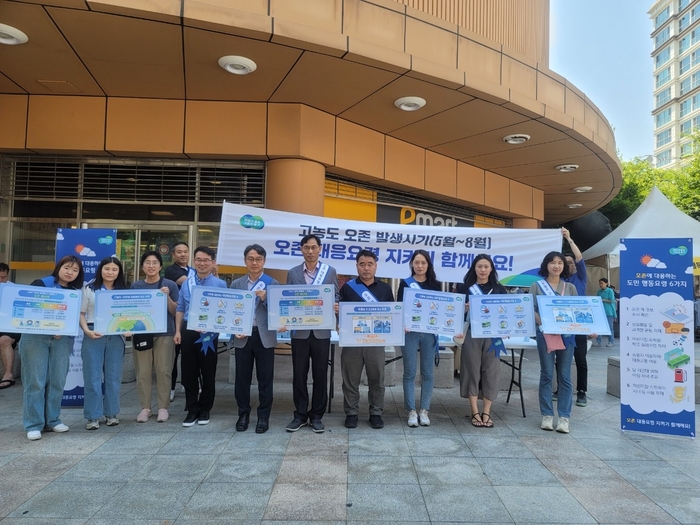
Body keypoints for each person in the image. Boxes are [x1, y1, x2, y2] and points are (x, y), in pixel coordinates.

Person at [19, 255, 84, 440]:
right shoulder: (41, 284)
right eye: (67, 267)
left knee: (57, 380)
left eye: (75, 270)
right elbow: (28, 309)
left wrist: (62, 329)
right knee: (35, 381)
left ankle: (53, 420)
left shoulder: (74, 292)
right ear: (59, 267)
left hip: (61, 340)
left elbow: (73, 318)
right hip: (35, 338)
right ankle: (33, 424)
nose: (70, 272)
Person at [284, 234, 339, 434]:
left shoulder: (330, 271)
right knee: (299, 375)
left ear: (319, 249)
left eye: (313, 247)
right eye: (306, 247)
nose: (310, 251)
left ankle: (316, 415)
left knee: (319, 375)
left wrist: (335, 304)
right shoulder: (293, 273)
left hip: (321, 333)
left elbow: (337, 295)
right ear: (301, 249)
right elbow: (287, 299)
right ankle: (299, 414)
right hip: (299, 333)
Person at [338, 249, 394, 429]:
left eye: (370, 264)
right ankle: (351, 412)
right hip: (352, 342)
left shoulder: (385, 289)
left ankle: (376, 413)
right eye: (362, 264)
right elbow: (341, 313)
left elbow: (392, 315)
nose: (366, 268)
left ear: (376, 266)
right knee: (350, 380)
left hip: (376, 342)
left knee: (377, 379)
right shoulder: (348, 287)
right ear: (357, 266)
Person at [173, 246, 227, 427]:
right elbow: (180, 308)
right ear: (194, 261)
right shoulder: (187, 283)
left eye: (206, 260)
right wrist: (178, 331)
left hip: (209, 332)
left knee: (208, 370)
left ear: (213, 263)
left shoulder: (220, 284)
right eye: (198, 259)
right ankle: (192, 408)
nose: (202, 263)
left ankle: (205, 408)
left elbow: (224, 310)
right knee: (188, 371)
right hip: (189, 329)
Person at [230, 244, 279, 434]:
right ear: (245, 261)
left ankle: (263, 417)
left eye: (258, 259)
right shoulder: (237, 284)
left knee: (265, 379)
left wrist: (266, 299)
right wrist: (234, 329)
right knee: (242, 378)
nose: (254, 262)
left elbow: (277, 313)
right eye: (250, 259)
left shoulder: (272, 283)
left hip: (264, 336)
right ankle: (243, 414)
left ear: (264, 261)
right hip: (243, 336)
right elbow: (230, 311)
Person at [455, 254, 507, 428]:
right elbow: (454, 312)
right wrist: (463, 308)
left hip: (493, 336)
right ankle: (474, 411)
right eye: (479, 266)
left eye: (486, 266)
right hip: (471, 333)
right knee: (471, 369)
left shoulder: (499, 289)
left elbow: (505, 314)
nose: (483, 270)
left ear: (491, 268)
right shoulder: (465, 288)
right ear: (474, 268)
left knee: (491, 371)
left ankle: (487, 411)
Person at [530, 251, 577, 434]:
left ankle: (564, 417)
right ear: (546, 265)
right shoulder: (537, 286)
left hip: (567, 337)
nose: (556, 266)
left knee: (565, 376)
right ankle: (547, 415)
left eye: (560, 262)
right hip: (546, 335)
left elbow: (577, 311)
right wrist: (546, 323)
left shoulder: (570, 288)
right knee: (547, 374)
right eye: (552, 262)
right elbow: (531, 310)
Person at [80, 256, 128, 430]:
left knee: (113, 377)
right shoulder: (89, 288)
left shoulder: (123, 290)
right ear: (100, 269)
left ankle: (112, 413)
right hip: (94, 333)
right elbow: (81, 313)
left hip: (115, 336)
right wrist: (87, 331)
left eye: (114, 270)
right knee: (92, 377)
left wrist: (127, 329)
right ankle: (92, 416)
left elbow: (127, 316)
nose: (110, 272)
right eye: (107, 269)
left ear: (119, 272)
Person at [131, 251, 179, 423]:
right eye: (147, 262)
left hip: (164, 333)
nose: (151, 266)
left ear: (160, 266)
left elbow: (175, 311)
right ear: (142, 266)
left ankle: (163, 407)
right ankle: (145, 407)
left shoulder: (170, 285)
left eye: (154, 262)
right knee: (143, 371)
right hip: (142, 333)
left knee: (164, 370)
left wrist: (165, 297)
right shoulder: (136, 286)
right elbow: (132, 311)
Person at [397, 249, 441, 427]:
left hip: (429, 333)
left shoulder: (436, 285)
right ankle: (411, 411)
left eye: (423, 263)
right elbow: (400, 307)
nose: (420, 266)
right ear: (412, 264)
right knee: (409, 372)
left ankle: (424, 410)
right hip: (410, 333)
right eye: (417, 262)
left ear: (428, 265)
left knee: (427, 373)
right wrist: (404, 323)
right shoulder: (405, 283)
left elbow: (439, 309)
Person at [562, 227, 589, 408]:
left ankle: (581, 391)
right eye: (566, 263)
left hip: (579, 323)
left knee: (580, 358)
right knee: (561, 358)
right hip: (562, 324)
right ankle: (561, 389)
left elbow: (579, 257)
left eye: (571, 261)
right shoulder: (558, 281)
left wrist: (569, 239)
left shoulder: (580, 276)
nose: (570, 264)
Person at [165, 241, 191, 402]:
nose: (183, 254)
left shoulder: (193, 270)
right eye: (179, 252)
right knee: (173, 357)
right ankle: (171, 387)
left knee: (189, 356)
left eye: (185, 252)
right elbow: (189, 283)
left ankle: (188, 384)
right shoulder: (171, 270)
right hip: (176, 317)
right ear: (173, 255)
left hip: (191, 318)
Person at [0, 262, 21, 390]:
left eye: (4, 277)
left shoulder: (13, 289)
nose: (2, 281)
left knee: (4, 340)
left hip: (9, 326)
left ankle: (8, 375)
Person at [595, 278, 617, 347]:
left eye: (602, 283)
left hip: (608, 311)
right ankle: (598, 341)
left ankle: (611, 341)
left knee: (610, 327)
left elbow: (612, 300)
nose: (600, 285)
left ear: (606, 283)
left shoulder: (610, 291)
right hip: (600, 311)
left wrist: (602, 300)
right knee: (599, 327)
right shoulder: (599, 292)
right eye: (599, 283)